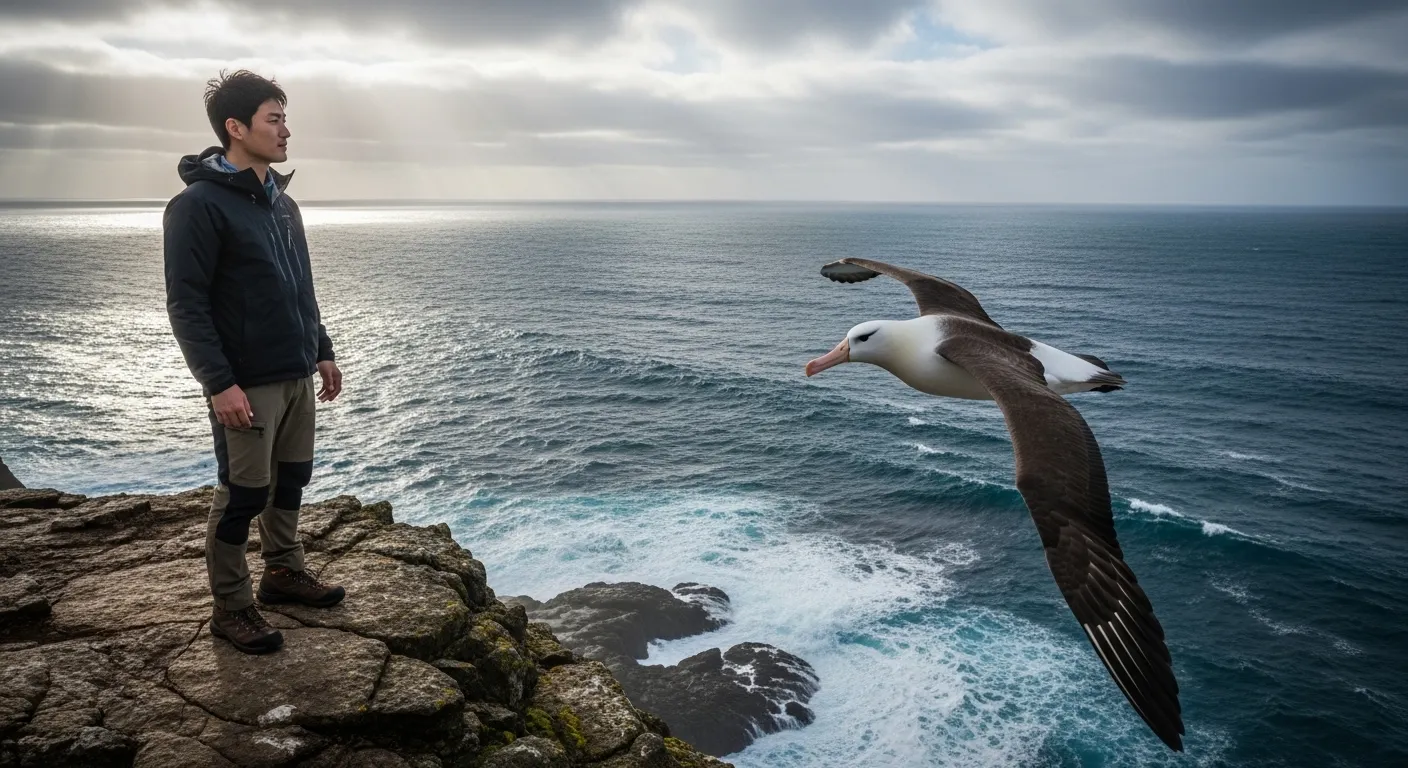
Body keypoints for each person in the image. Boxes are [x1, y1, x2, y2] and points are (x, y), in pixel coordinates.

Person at [164, 70, 346, 655]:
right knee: (242, 492)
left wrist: (322, 351)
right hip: (245, 381)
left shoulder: (282, 204)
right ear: (235, 128)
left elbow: (302, 288)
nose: (286, 130)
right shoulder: (198, 206)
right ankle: (232, 606)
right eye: (275, 119)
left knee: (291, 477)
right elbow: (186, 305)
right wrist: (219, 383)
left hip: (295, 371)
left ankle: (284, 572)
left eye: (285, 118)